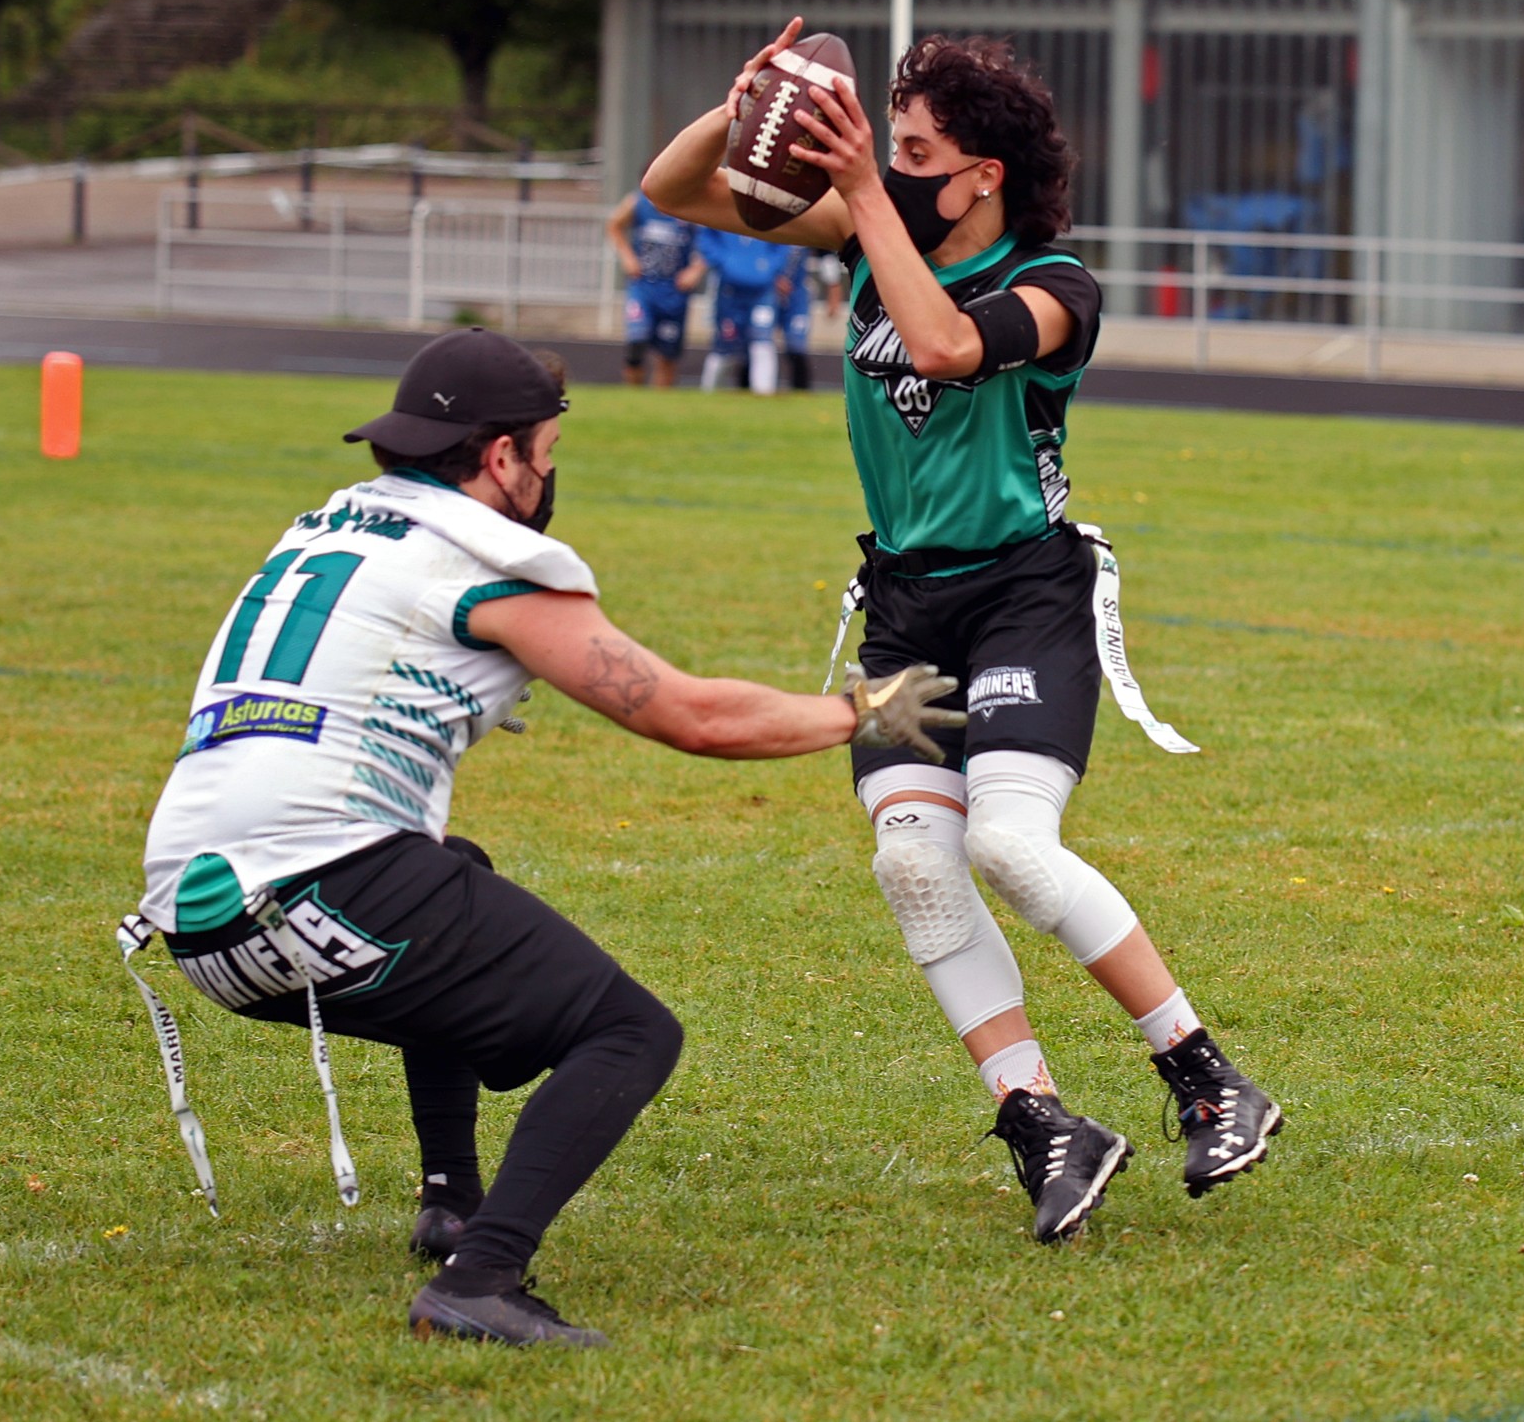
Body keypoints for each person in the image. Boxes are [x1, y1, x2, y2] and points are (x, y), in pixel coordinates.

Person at [125, 327, 961, 1346]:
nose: (549, 475)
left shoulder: (328, 529)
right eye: (547, 452)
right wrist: (857, 711)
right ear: (499, 454)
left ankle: (450, 1199)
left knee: (454, 878)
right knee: (631, 1032)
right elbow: (688, 714)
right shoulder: (489, 563)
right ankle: (478, 1280)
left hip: (196, 922)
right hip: (319, 895)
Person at [643, 24, 1281, 1243]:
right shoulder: (865, 236)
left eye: (917, 151)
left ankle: (1204, 1075)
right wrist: (744, 108)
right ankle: (1038, 1118)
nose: (891, 165)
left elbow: (943, 344)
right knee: (910, 863)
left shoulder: (1054, 284)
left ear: (984, 174)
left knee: (1009, 846)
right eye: (890, 144)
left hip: (1021, 596)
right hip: (903, 612)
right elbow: (672, 190)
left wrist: (860, 192)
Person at [607, 190, 706, 387]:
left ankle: (660, 398)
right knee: (636, 343)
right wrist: (627, 257)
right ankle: (633, 395)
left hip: (674, 292)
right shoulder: (638, 202)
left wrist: (696, 269)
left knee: (667, 355)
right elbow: (614, 225)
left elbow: (712, 240)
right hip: (643, 286)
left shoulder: (690, 206)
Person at [695, 225, 796, 394]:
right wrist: (724, 261)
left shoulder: (770, 215)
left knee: (762, 340)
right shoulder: (724, 213)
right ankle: (708, 393)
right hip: (729, 290)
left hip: (762, 290)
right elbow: (705, 238)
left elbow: (784, 241)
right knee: (725, 346)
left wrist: (770, 267)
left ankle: (763, 395)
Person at [776, 245, 818, 392]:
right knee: (756, 343)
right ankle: (747, 388)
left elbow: (826, 254)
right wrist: (774, 278)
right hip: (765, 292)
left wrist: (834, 287)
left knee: (796, 347)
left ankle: (801, 391)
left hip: (797, 297)